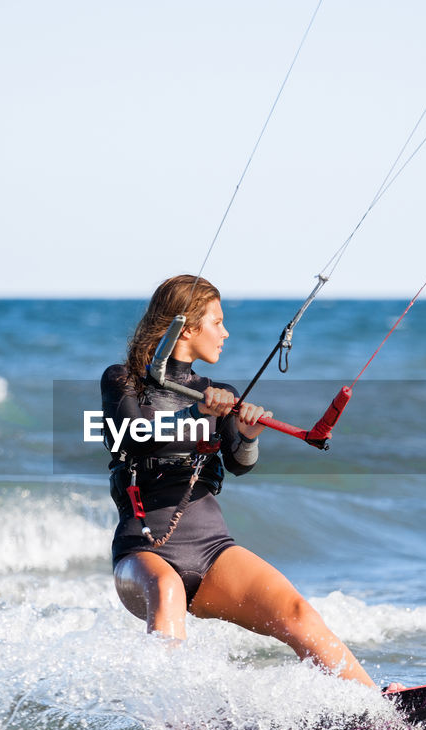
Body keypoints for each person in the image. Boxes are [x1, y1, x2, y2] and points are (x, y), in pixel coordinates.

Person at [101, 274, 380, 689]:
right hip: (144, 551)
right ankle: (172, 718)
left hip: (212, 548)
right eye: (217, 322)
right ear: (187, 327)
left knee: (298, 613)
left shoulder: (219, 392)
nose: (225, 333)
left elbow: (239, 463)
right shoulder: (123, 381)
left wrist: (247, 435)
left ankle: (375, 708)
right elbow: (134, 434)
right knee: (167, 589)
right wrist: (202, 417)